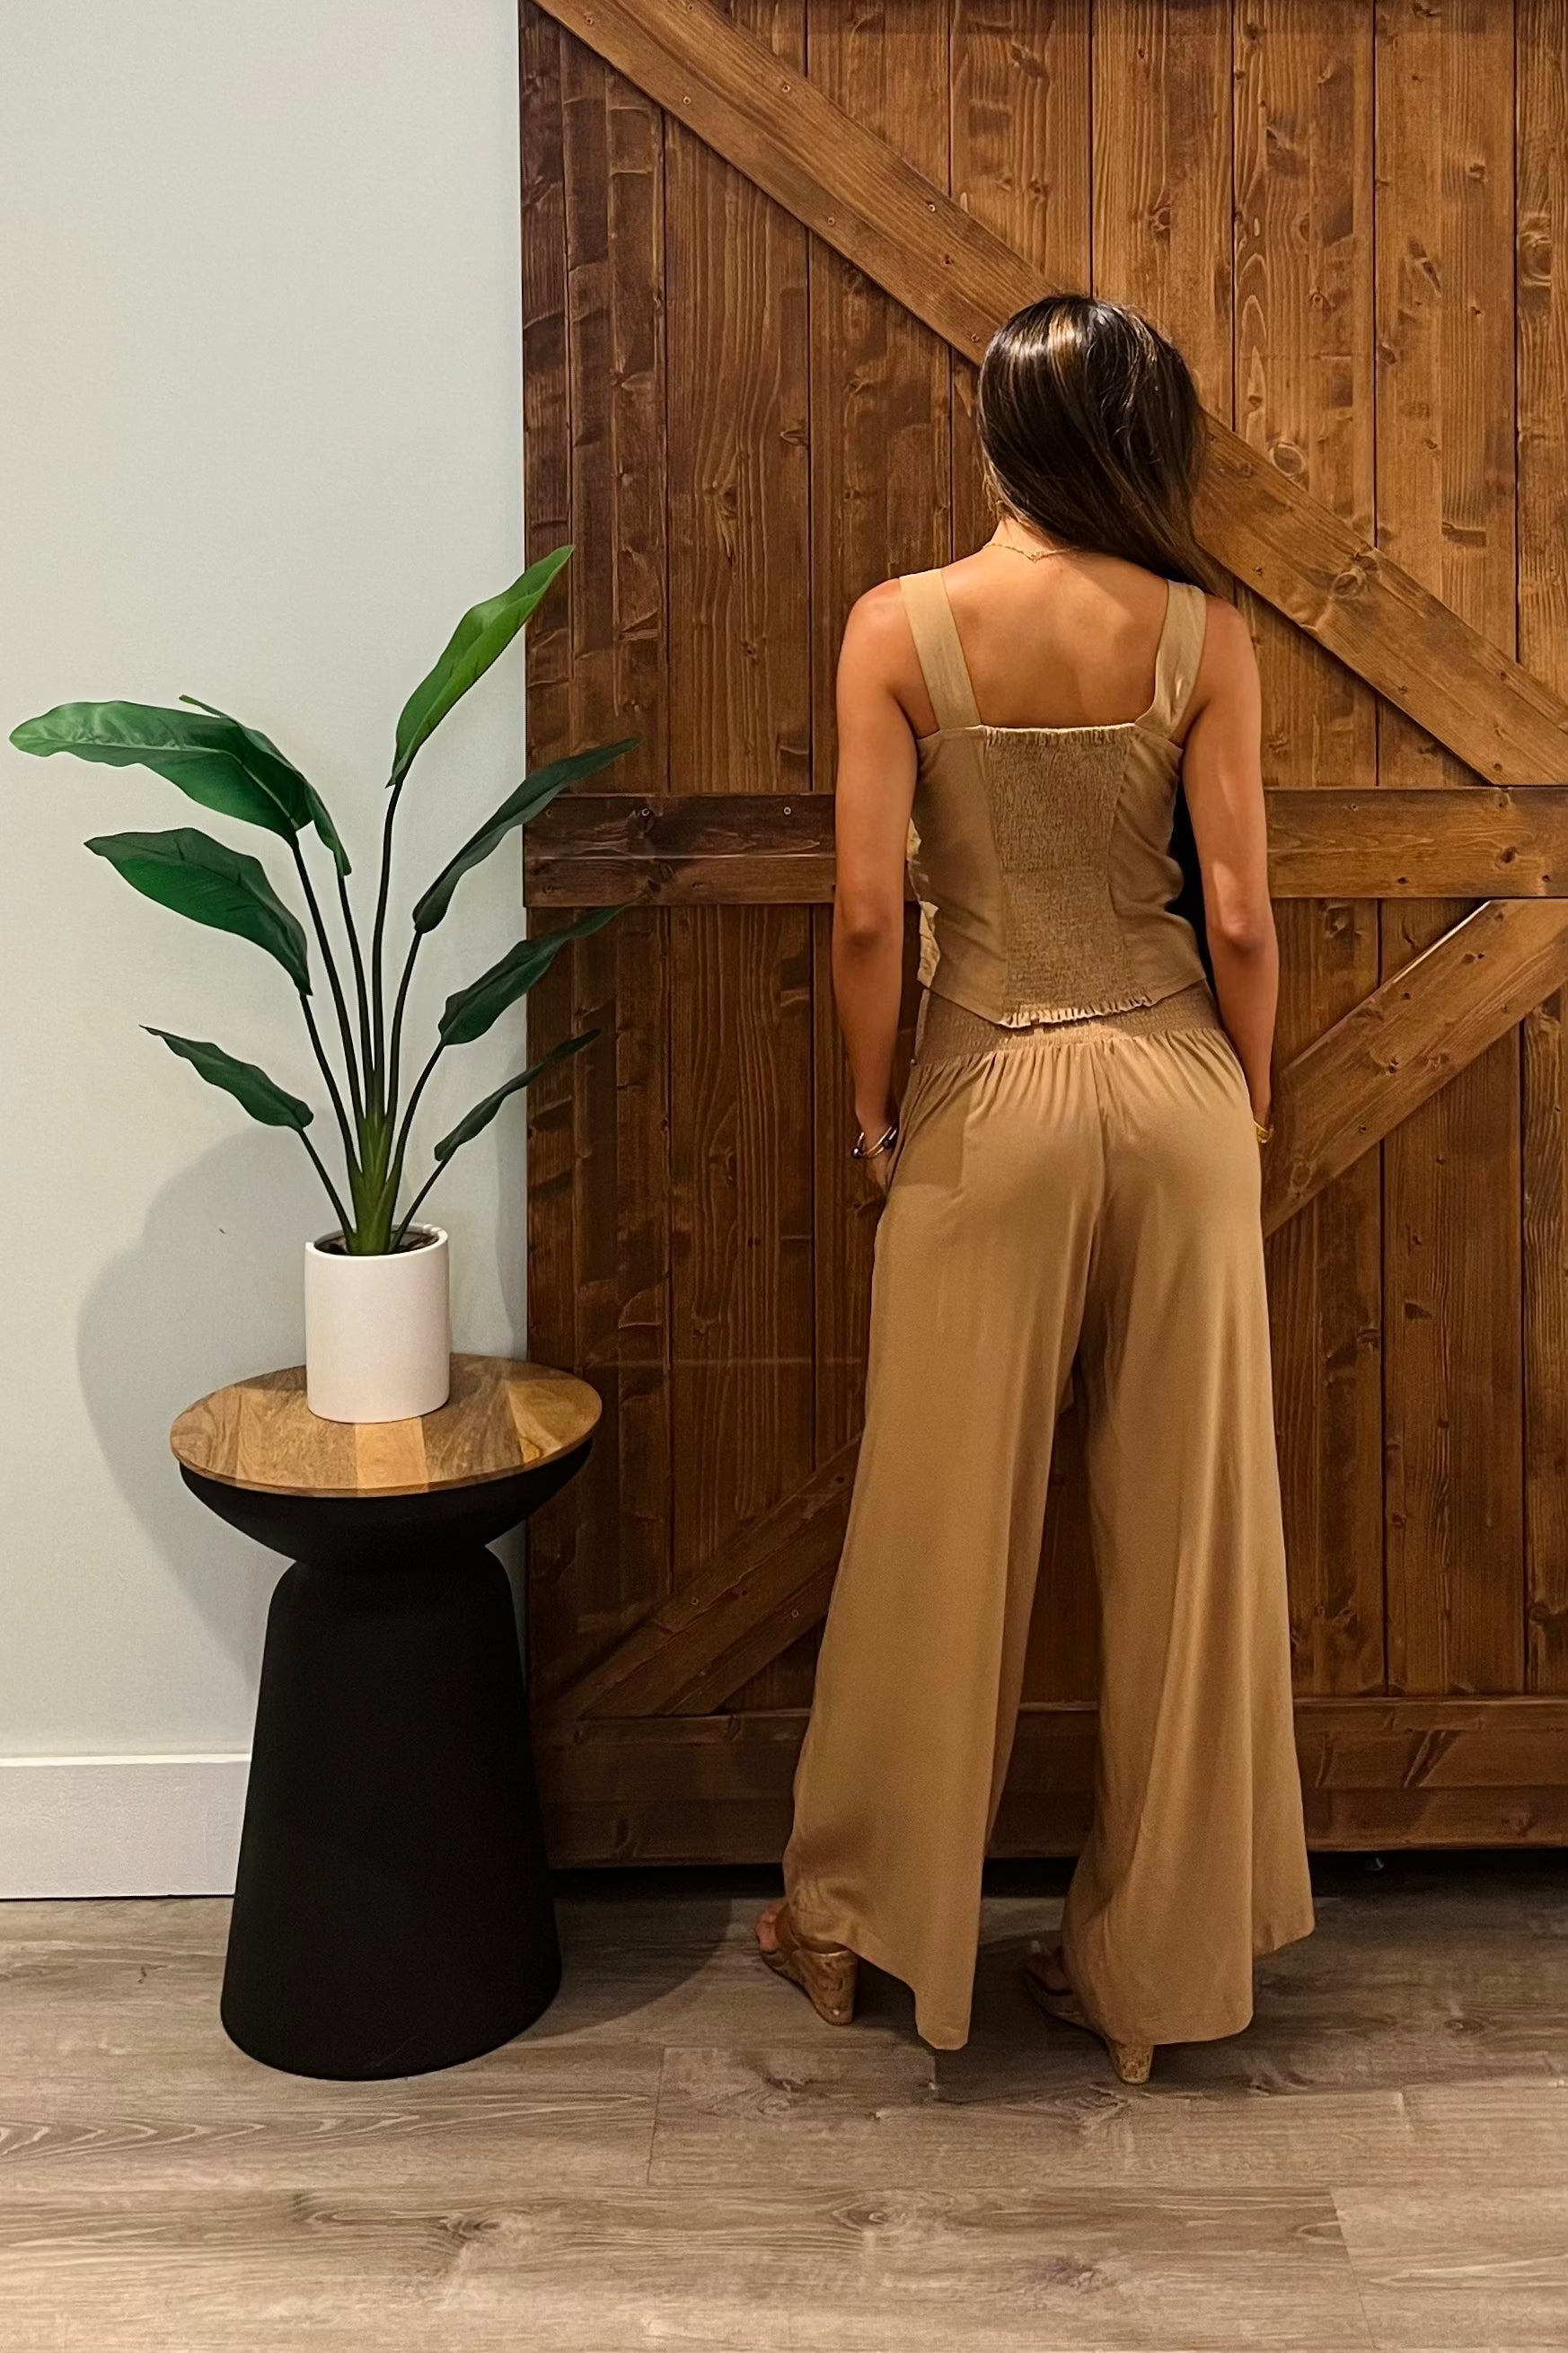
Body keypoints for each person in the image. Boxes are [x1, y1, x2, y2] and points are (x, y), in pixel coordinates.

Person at [755, 294, 1315, 2084]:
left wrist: (873, 1114)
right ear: (1148, 444)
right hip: (1177, 1086)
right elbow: (1241, 914)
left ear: (997, 440)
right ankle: (1153, 1975)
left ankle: (857, 1926)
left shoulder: (899, 626)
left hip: (986, 1087)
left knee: (935, 1526)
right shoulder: (1204, 634)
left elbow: (866, 914)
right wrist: (1250, 1094)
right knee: (1191, 1542)